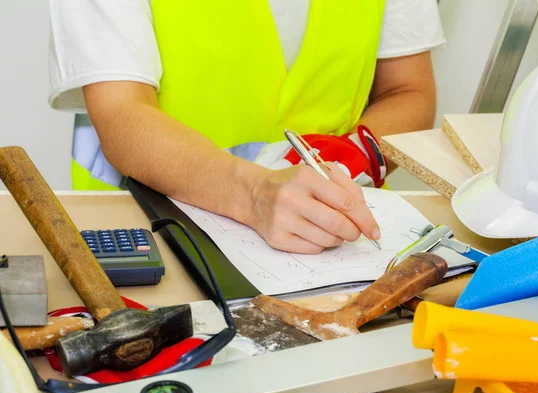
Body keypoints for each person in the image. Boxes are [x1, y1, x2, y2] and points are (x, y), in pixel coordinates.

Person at [48, 0, 445, 254]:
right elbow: (122, 113)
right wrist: (256, 194)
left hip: (335, 239)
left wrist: (345, 164)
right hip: (150, 235)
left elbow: (408, 91)